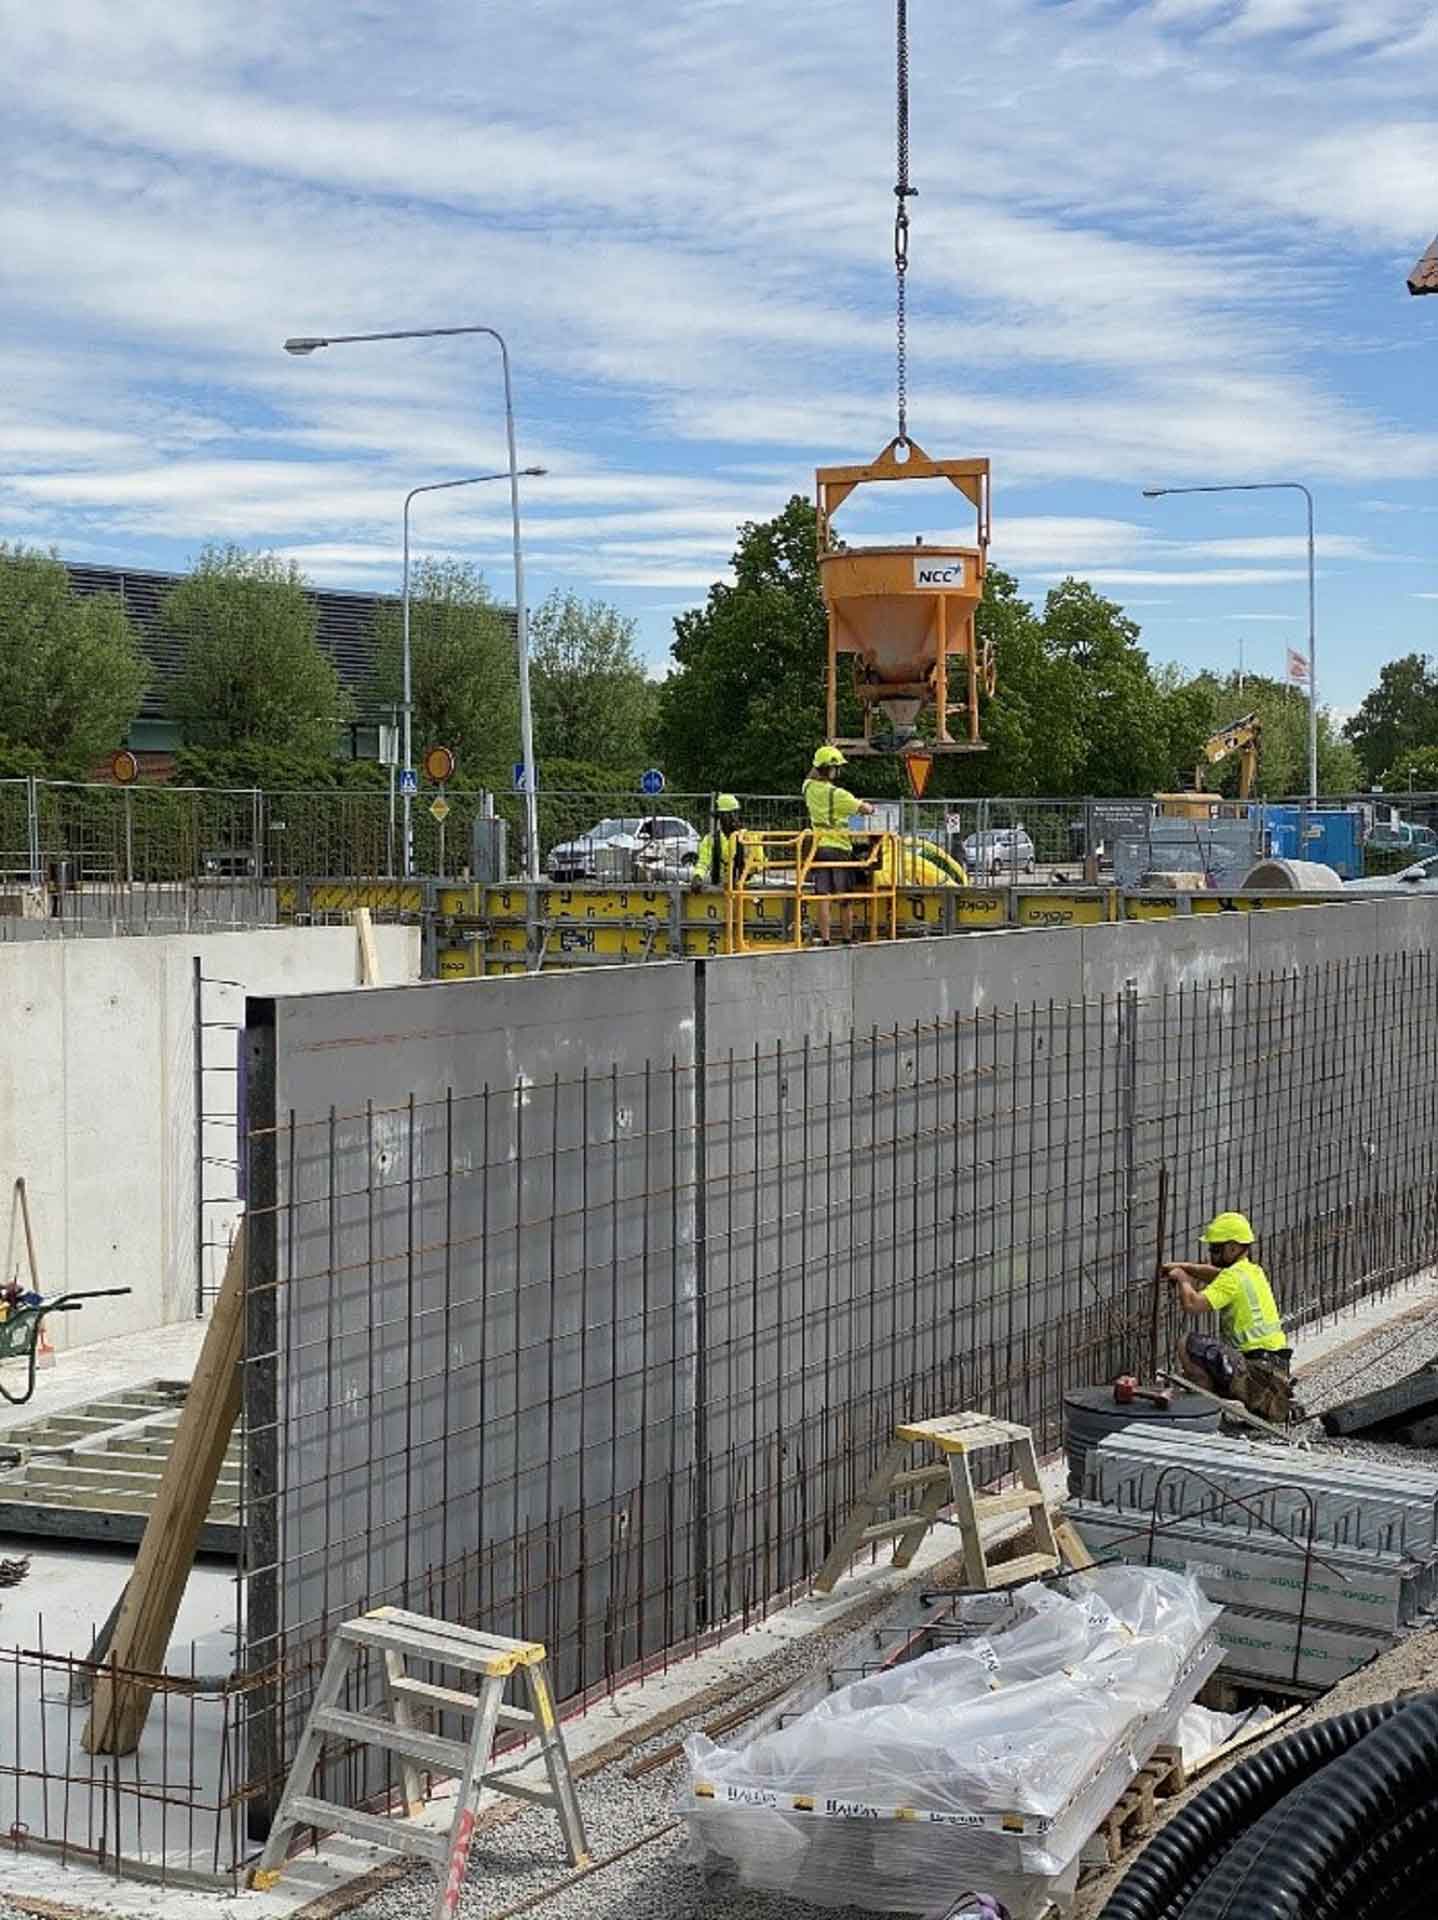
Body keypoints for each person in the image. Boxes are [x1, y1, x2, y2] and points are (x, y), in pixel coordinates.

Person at [1166, 1211, 1297, 1424]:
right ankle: (1267, 1401)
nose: (1211, 1254)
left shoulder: (1232, 1279)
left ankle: (1202, 1415)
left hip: (1255, 1370)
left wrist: (1182, 1279)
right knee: (1195, 1372)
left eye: (1216, 1249)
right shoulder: (1252, 1271)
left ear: (1233, 1248)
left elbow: (1192, 1304)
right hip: (1276, 1369)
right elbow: (1213, 1273)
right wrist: (1187, 1268)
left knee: (1188, 1344)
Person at [802, 745, 875, 944]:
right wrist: (870, 807)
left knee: (823, 897)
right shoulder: (838, 794)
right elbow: (865, 809)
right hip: (839, 849)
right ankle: (846, 937)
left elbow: (811, 776)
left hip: (819, 848)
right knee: (845, 898)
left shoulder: (807, 788)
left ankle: (825, 939)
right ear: (831, 769)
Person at [694, 794, 752, 887]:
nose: (733, 818)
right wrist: (697, 876)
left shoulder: (749, 838)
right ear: (720, 817)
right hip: (721, 886)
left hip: (746, 886)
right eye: (727, 815)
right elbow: (703, 863)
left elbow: (759, 864)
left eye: (735, 814)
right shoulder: (711, 839)